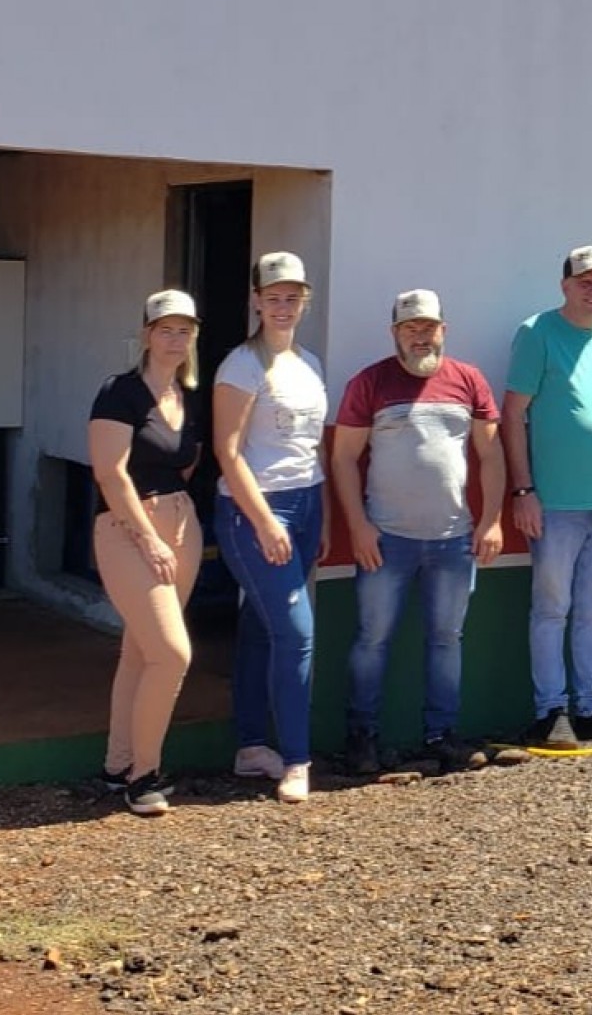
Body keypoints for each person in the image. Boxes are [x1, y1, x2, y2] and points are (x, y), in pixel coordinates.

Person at [332, 289, 506, 774]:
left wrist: (491, 520)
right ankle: (361, 737)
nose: (420, 336)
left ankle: (441, 735)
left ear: (443, 330)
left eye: (428, 326)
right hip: (386, 540)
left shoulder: (469, 380)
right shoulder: (370, 382)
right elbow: (343, 458)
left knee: (447, 638)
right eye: (409, 327)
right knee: (372, 639)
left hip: (454, 540)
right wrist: (359, 528)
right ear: (394, 334)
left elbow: (491, 455)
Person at [503, 245, 592, 748]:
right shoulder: (537, 332)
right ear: (565, 284)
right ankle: (551, 710)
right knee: (551, 607)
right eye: (586, 281)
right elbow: (513, 415)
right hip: (556, 502)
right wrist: (523, 489)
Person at [211, 251, 329, 803]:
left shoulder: (309, 362)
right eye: (273, 296)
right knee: (295, 632)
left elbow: (310, 448)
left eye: (293, 296)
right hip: (254, 509)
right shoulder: (241, 365)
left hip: (306, 505)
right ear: (256, 300)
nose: (283, 306)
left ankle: (252, 746)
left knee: (262, 626)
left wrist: (318, 514)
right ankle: (298, 759)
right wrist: (264, 521)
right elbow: (227, 452)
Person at [87, 289, 207, 816]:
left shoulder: (188, 396)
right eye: (166, 329)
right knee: (171, 653)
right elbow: (110, 473)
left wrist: (172, 526)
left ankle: (117, 764)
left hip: (181, 522)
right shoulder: (119, 392)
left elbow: (187, 463)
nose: (176, 339)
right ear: (147, 334)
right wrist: (148, 536)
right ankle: (145, 776)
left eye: (185, 330)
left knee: (141, 651)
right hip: (127, 528)